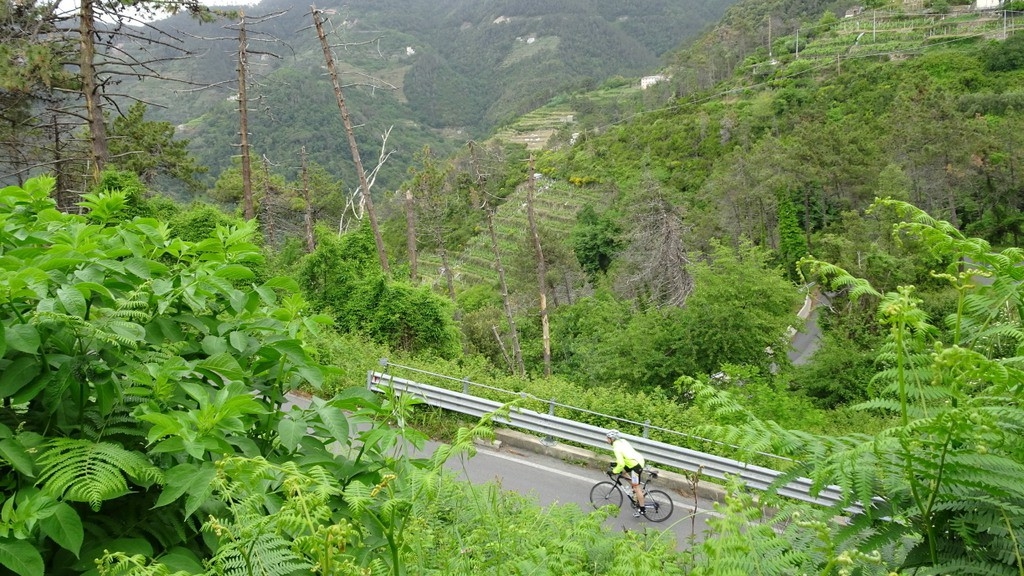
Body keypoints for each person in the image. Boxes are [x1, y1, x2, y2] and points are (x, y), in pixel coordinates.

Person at [605, 429, 646, 516]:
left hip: (636, 466)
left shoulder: (616, 447)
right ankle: (634, 488)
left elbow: (621, 463)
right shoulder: (622, 441)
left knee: (637, 487)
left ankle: (642, 509)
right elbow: (625, 455)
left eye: (608, 438)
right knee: (623, 472)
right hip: (635, 461)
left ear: (612, 439)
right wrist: (616, 465)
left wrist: (613, 471)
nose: (606, 440)